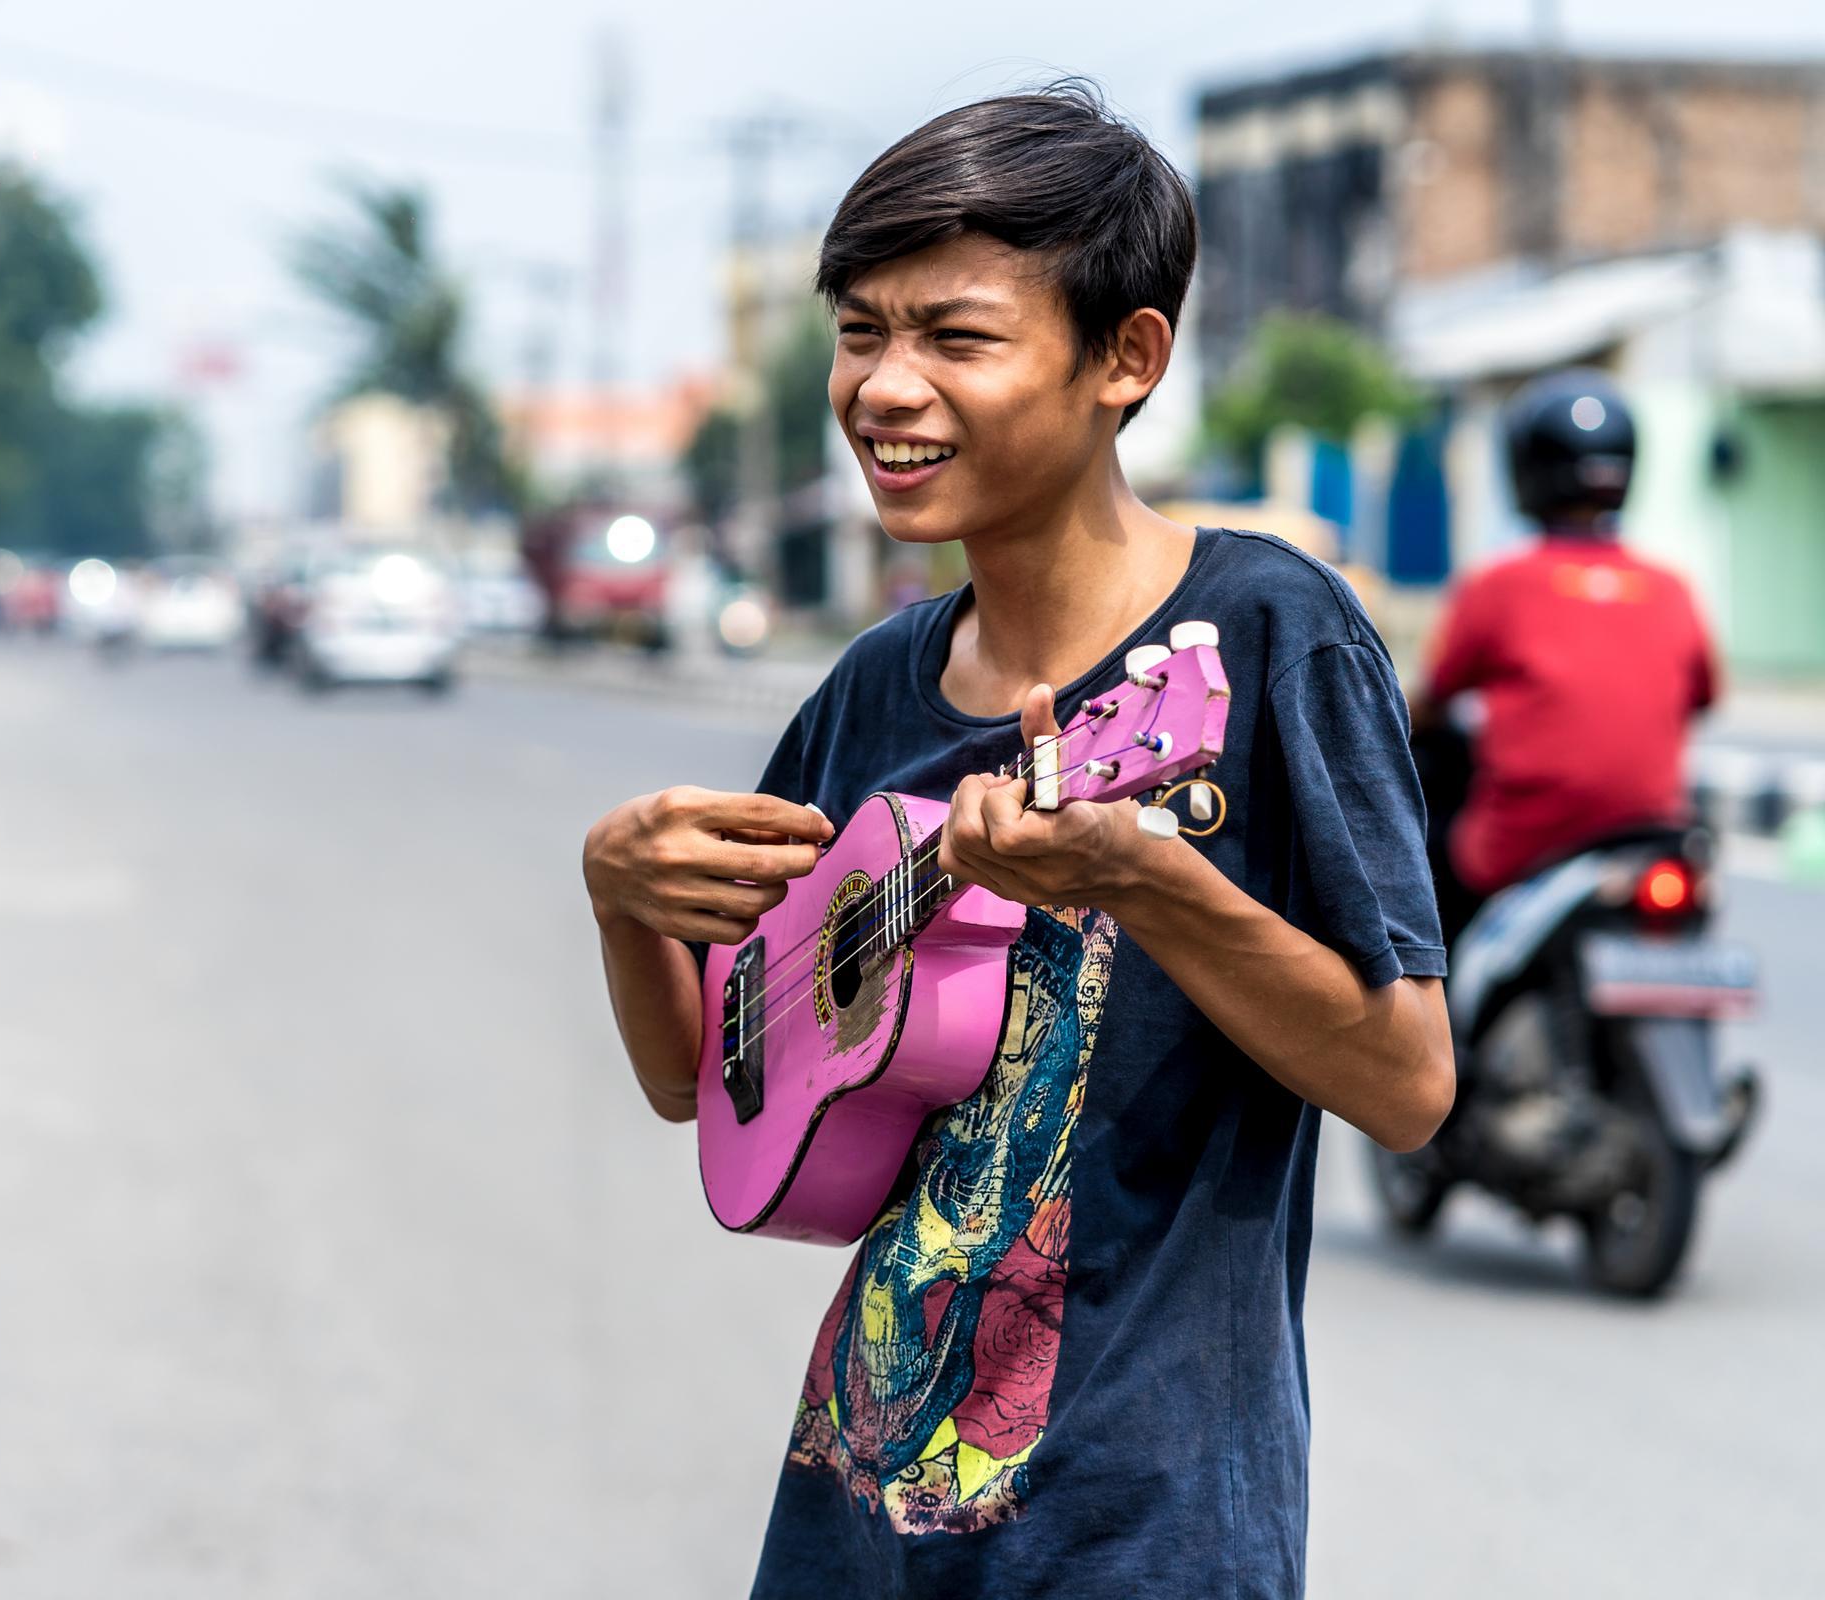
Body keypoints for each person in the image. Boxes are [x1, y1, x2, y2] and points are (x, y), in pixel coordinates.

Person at [578, 86, 1453, 1598]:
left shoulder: (1264, 636)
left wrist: (1146, 880)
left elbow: (1409, 1080)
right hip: (855, 1511)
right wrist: (617, 901)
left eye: (956, 337)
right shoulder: (876, 687)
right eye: (861, 332)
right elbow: (709, 1083)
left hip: (1143, 1527)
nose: (884, 388)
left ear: (1129, 360)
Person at [1415, 370, 1718, 931]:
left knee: (1428, 877)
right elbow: (1703, 697)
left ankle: (1440, 1015)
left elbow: (1431, 702)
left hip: (1525, 841)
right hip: (1653, 832)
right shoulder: (1671, 586)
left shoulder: (1498, 585)